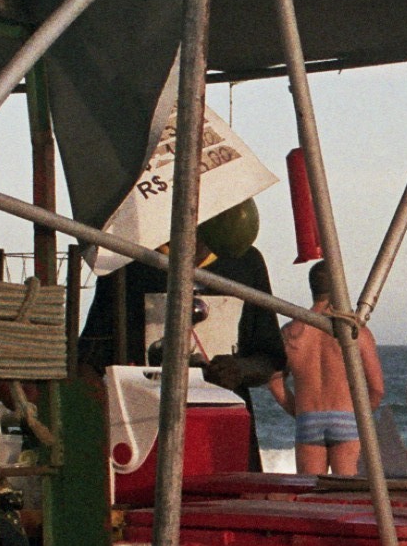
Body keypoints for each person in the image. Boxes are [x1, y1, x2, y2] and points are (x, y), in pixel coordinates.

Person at [73, 195, 287, 467]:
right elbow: (91, 358)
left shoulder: (246, 262)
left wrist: (239, 369)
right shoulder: (131, 263)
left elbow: (268, 357)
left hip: (224, 428)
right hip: (147, 431)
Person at [272, 259, 386, 476]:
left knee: (311, 496)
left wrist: (297, 411)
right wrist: (359, 415)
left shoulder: (291, 332)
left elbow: (274, 380)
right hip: (347, 416)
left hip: (309, 417)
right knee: (345, 496)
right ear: (338, 286)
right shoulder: (355, 332)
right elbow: (377, 389)